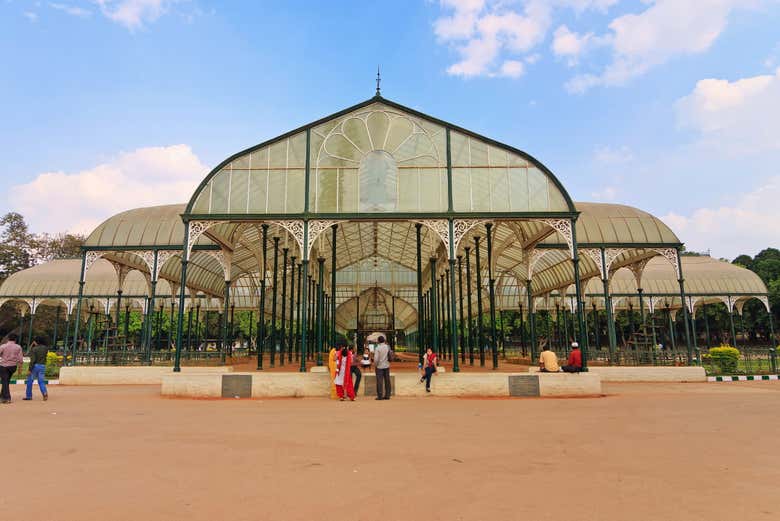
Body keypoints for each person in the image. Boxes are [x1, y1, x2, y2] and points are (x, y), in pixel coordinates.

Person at [0, 334, 24, 404]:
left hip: (4, 366)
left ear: (8, 339)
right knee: (6, 381)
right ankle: (2, 396)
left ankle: (7, 398)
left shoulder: (3, 346)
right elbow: (20, 359)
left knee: (5, 381)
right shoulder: (18, 347)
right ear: (15, 339)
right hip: (13, 367)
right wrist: (20, 367)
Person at [24, 335, 49, 401]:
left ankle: (28, 396)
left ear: (36, 341)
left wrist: (29, 369)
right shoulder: (45, 348)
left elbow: (32, 359)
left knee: (30, 381)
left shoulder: (34, 349)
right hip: (42, 366)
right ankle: (44, 392)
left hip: (35, 366)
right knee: (41, 381)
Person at [373, 335, 391, 400]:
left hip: (379, 367)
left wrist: (375, 365)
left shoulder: (378, 348)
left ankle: (380, 396)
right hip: (387, 366)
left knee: (379, 381)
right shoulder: (387, 347)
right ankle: (387, 395)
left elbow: (376, 359)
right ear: (384, 340)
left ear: (378, 341)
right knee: (387, 381)